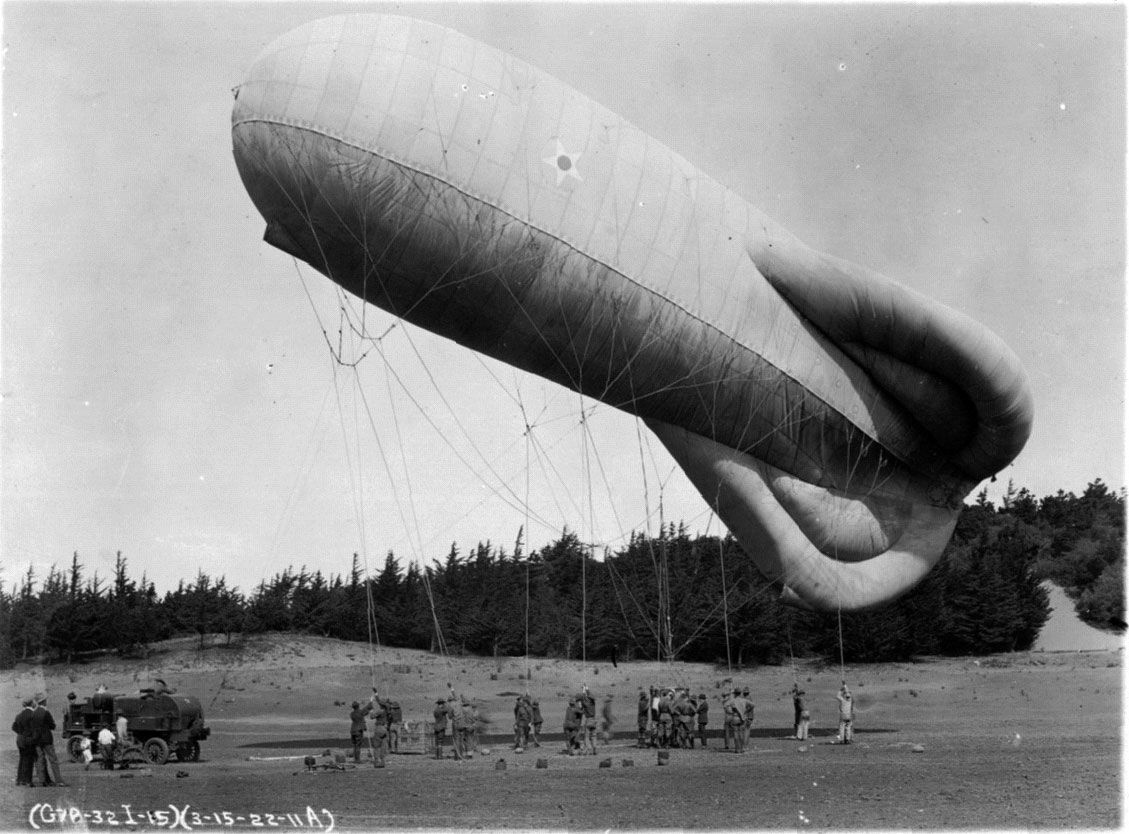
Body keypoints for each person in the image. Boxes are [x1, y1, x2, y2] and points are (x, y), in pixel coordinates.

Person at [33, 693, 67, 786]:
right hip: (47, 739)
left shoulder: (34, 713)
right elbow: (52, 726)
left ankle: (42, 780)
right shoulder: (46, 712)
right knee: (53, 760)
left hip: (37, 740)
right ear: (43, 701)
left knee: (40, 759)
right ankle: (59, 780)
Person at [12, 696, 38, 786]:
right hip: (29, 739)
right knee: (29, 760)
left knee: (22, 759)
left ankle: (19, 779)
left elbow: (14, 727)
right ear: (32, 704)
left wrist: (21, 733)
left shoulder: (19, 715)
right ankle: (28, 780)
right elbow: (34, 729)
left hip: (19, 739)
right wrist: (32, 737)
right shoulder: (33, 715)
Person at [349, 696, 374, 764]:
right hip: (358, 730)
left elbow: (364, 710)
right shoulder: (360, 712)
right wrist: (371, 701)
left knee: (354, 745)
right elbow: (367, 708)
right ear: (358, 706)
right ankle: (357, 760)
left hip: (352, 730)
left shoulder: (352, 714)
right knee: (358, 745)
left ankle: (355, 759)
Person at [579, 687, 597, 754]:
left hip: (588, 720)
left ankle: (589, 748)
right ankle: (594, 747)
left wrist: (583, 691)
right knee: (594, 735)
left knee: (586, 736)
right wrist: (587, 690)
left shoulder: (585, 704)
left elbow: (583, 700)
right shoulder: (593, 703)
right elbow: (591, 696)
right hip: (594, 720)